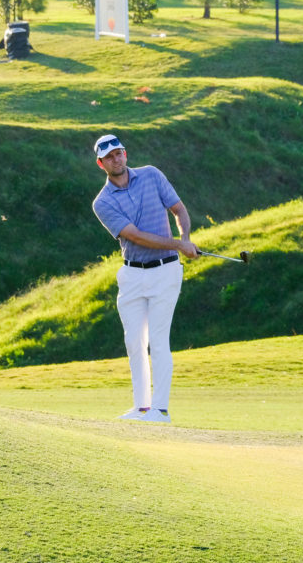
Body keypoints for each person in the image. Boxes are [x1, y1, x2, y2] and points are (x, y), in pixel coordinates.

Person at [91, 134, 199, 424]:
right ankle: (141, 407)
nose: (116, 159)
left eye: (119, 153)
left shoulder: (152, 175)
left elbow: (178, 209)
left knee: (158, 340)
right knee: (134, 342)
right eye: (109, 156)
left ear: (126, 154)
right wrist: (179, 245)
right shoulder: (101, 203)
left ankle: (160, 410)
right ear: (101, 163)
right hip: (132, 274)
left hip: (165, 271)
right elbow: (135, 236)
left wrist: (185, 237)